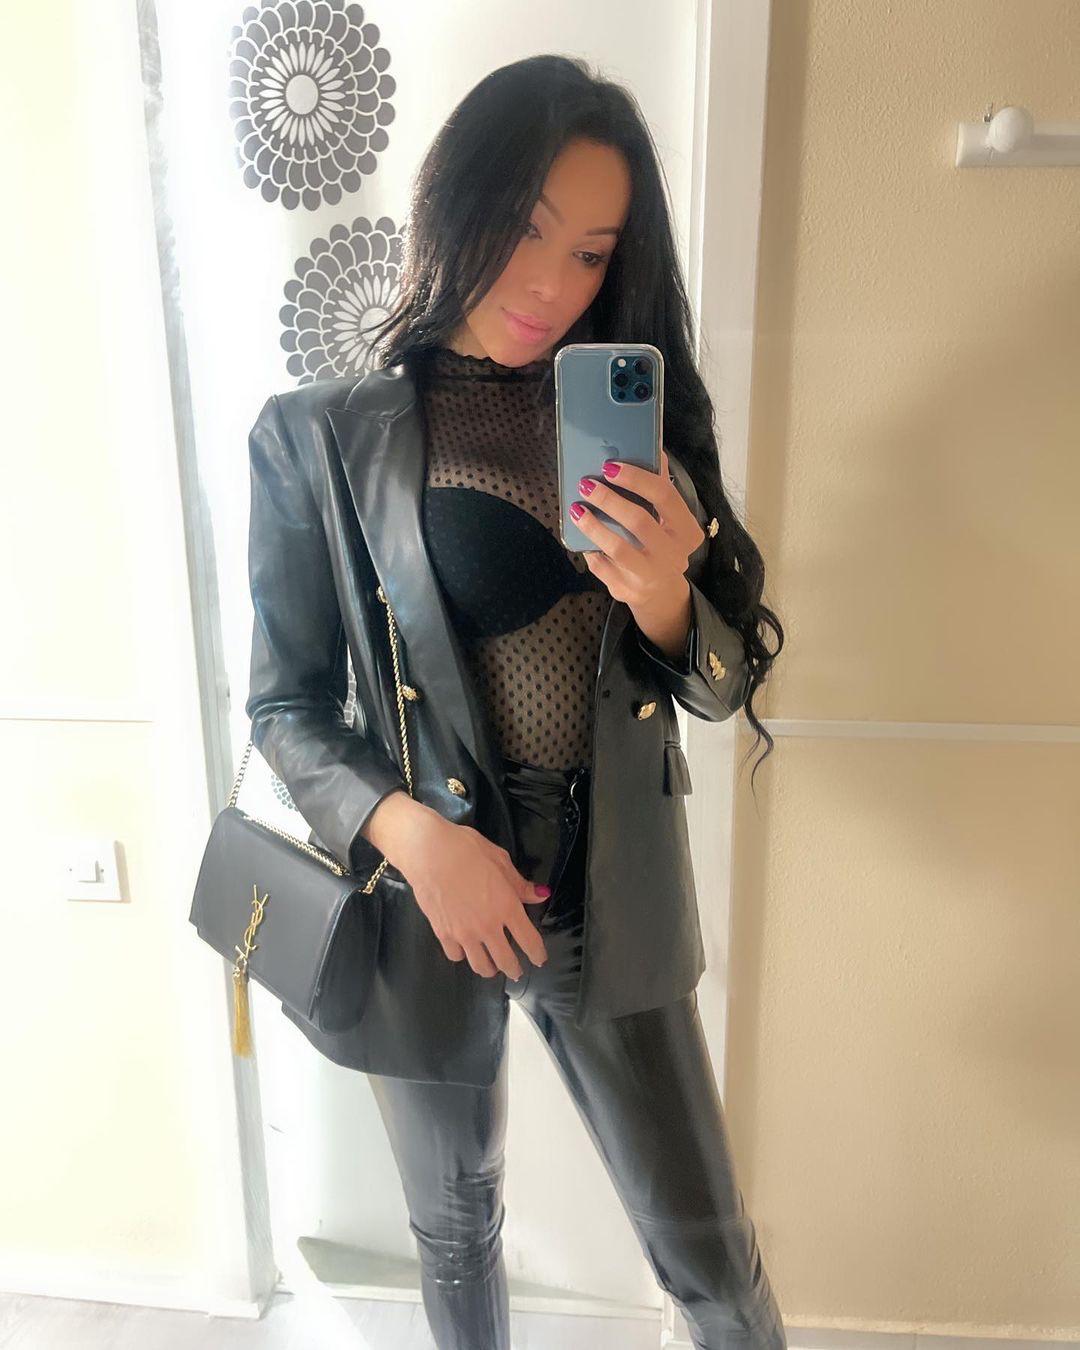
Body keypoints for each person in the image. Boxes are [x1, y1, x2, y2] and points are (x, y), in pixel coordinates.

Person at [255, 52, 785, 1350]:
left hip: (615, 883)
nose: (553, 284)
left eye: (592, 253)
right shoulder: (321, 435)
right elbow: (284, 706)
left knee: (709, 1252)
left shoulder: (637, 426)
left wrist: (667, 598)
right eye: (527, 230)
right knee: (456, 1231)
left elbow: (723, 682)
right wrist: (416, 838)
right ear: (456, 207)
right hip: (432, 885)